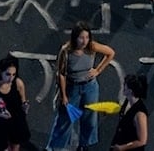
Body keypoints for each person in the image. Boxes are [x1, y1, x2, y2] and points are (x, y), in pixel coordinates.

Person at [45, 21, 115, 150]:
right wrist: (64, 95)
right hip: (73, 87)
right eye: (81, 38)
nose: (84, 41)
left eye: (87, 37)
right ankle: (54, 147)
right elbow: (61, 74)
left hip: (90, 87)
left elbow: (110, 53)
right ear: (75, 37)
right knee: (65, 118)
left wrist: (98, 70)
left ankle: (84, 145)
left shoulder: (92, 47)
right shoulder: (66, 51)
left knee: (90, 118)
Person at [111, 75, 149, 151]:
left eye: (125, 85)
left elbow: (142, 140)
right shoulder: (127, 102)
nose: (123, 87)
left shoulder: (140, 114)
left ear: (130, 91)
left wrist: (122, 148)